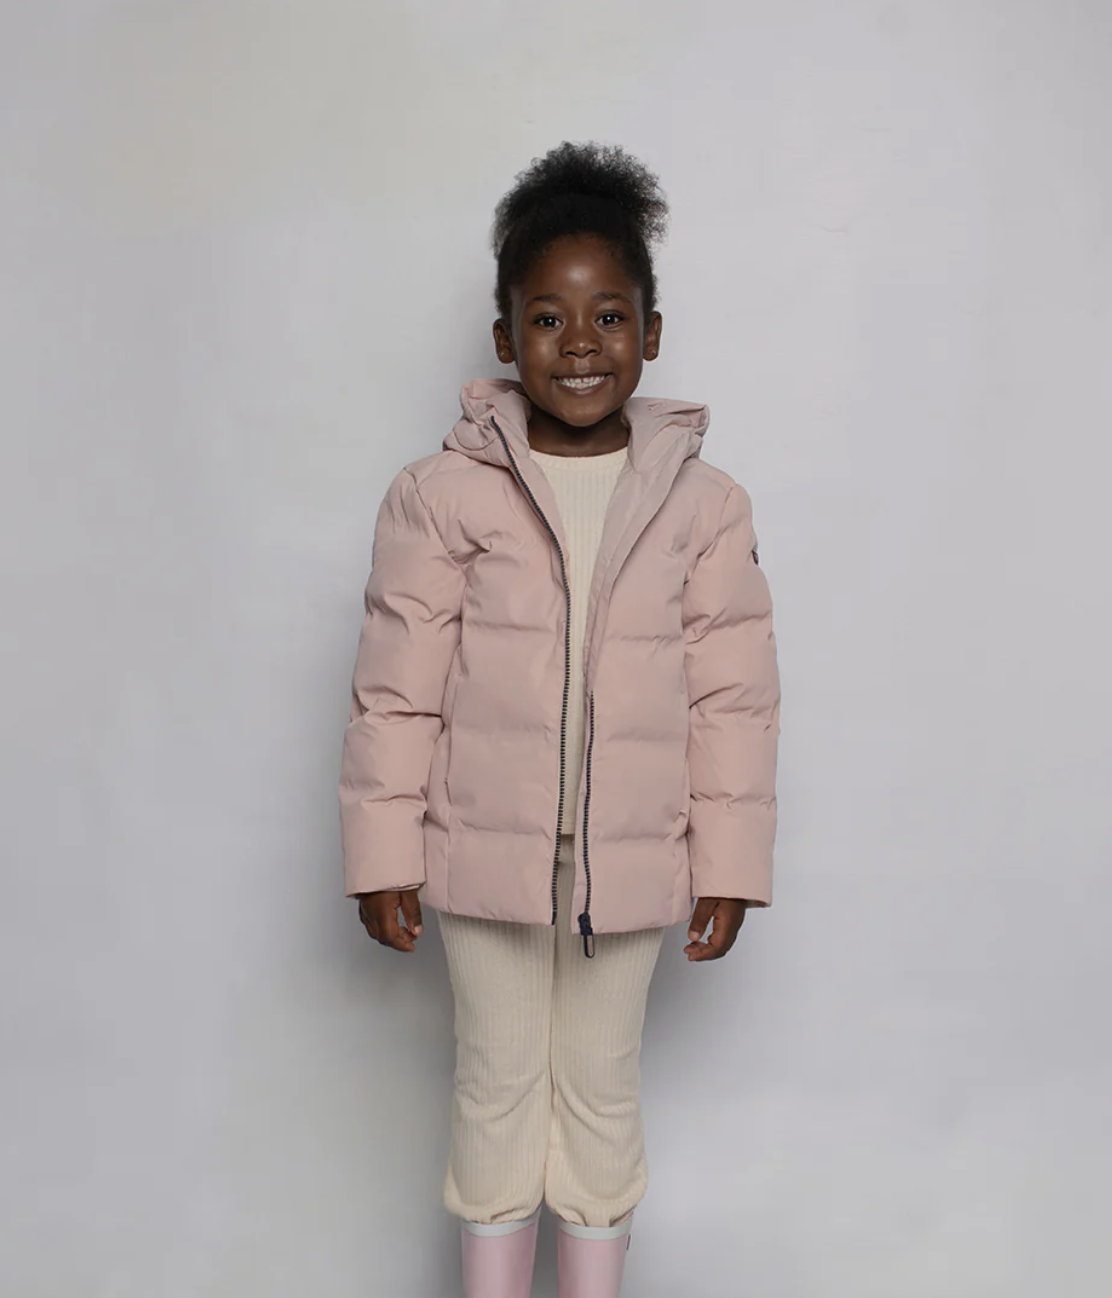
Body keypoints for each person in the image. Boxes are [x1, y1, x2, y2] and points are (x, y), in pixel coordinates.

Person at [338, 141, 781, 1298]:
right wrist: (381, 851)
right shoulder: (439, 497)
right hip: (480, 857)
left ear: (651, 331)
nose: (578, 342)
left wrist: (728, 862)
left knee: (599, 1088)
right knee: (494, 1083)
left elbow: (733, 701)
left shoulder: (704, 506)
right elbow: (395, 688)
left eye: (607, 315)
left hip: (629, 861)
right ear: (502, 338)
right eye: (546, 317)